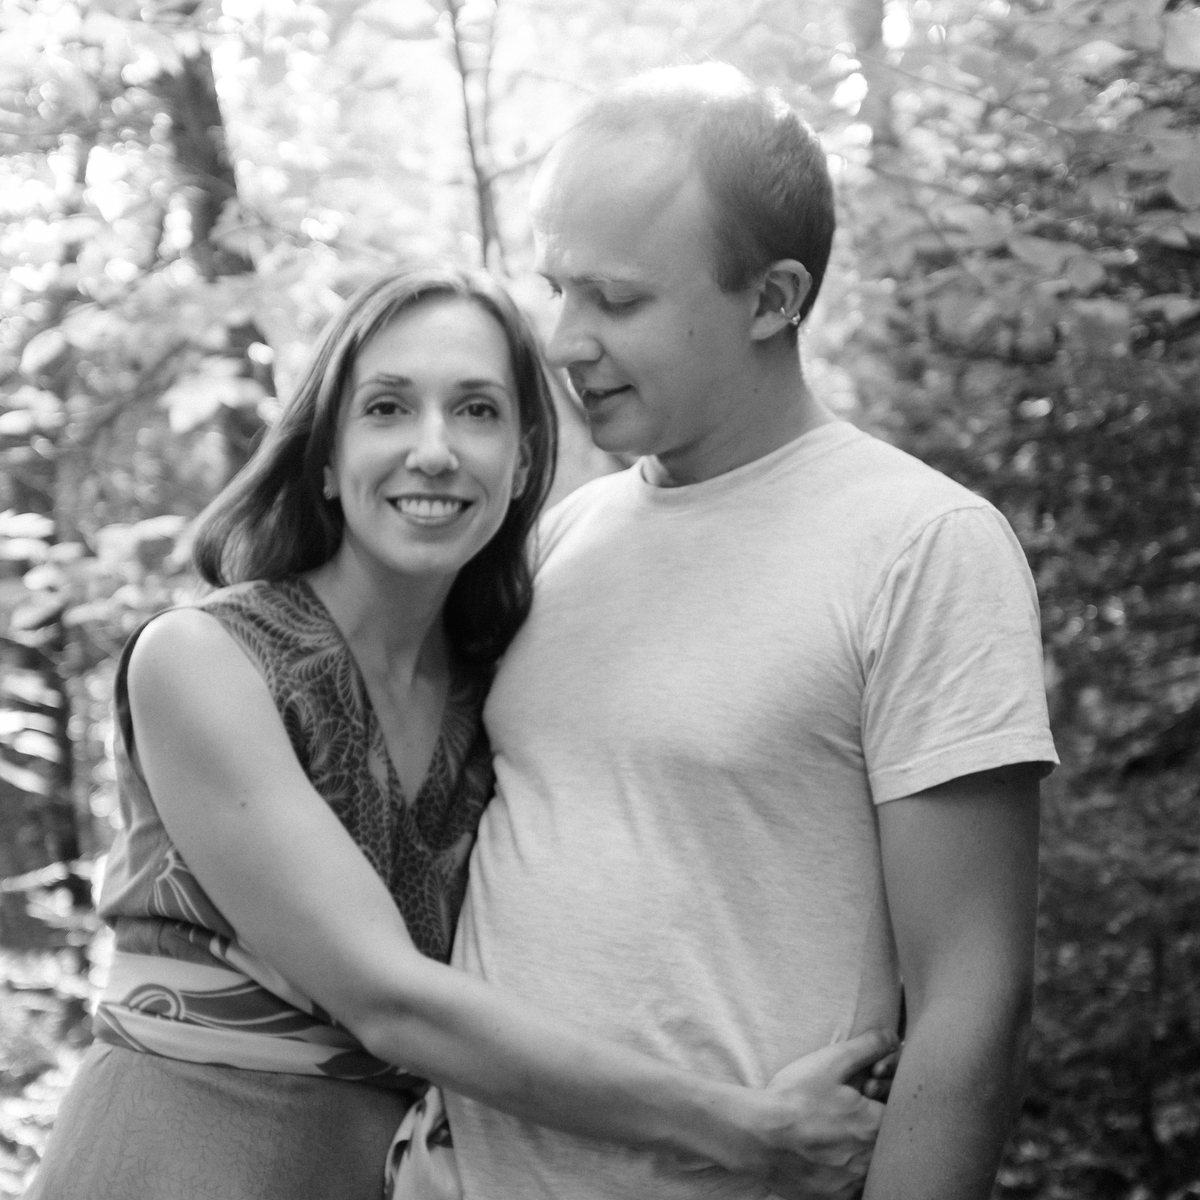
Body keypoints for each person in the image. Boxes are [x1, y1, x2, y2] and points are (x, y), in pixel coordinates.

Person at [26, 265, 895, 1200]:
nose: (434, 451)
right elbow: (390, 1003)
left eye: (477, 411)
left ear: (523, 461)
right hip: (182, 1154)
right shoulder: (200, 661)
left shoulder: (501, 689)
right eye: (389, 408)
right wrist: (750, 1130)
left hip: (397, 1172)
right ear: (324, 454)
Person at [442, 65, 1059, 1200]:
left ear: (774, 298)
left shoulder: (921, 545)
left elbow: (974, 1001)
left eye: (616, 301)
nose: (566, 341)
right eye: (558, 290)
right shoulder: (564, 534)